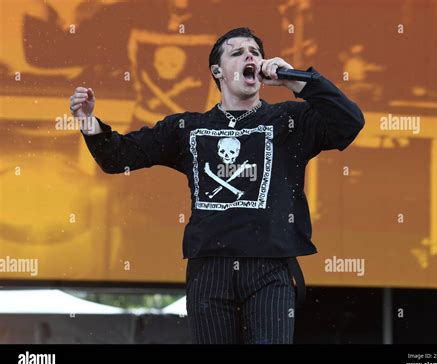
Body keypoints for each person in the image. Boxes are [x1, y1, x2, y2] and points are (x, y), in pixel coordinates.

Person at [70, 27, 365, 344]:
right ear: (217, 71)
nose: (249, 56)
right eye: (237, 53)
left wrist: (299, 82)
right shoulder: (187, 127)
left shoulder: (290, 120)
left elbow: (350, 122)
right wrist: (88, 121)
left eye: (254, 52)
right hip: (210, 271)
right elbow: (119, 157)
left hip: (270, 267)